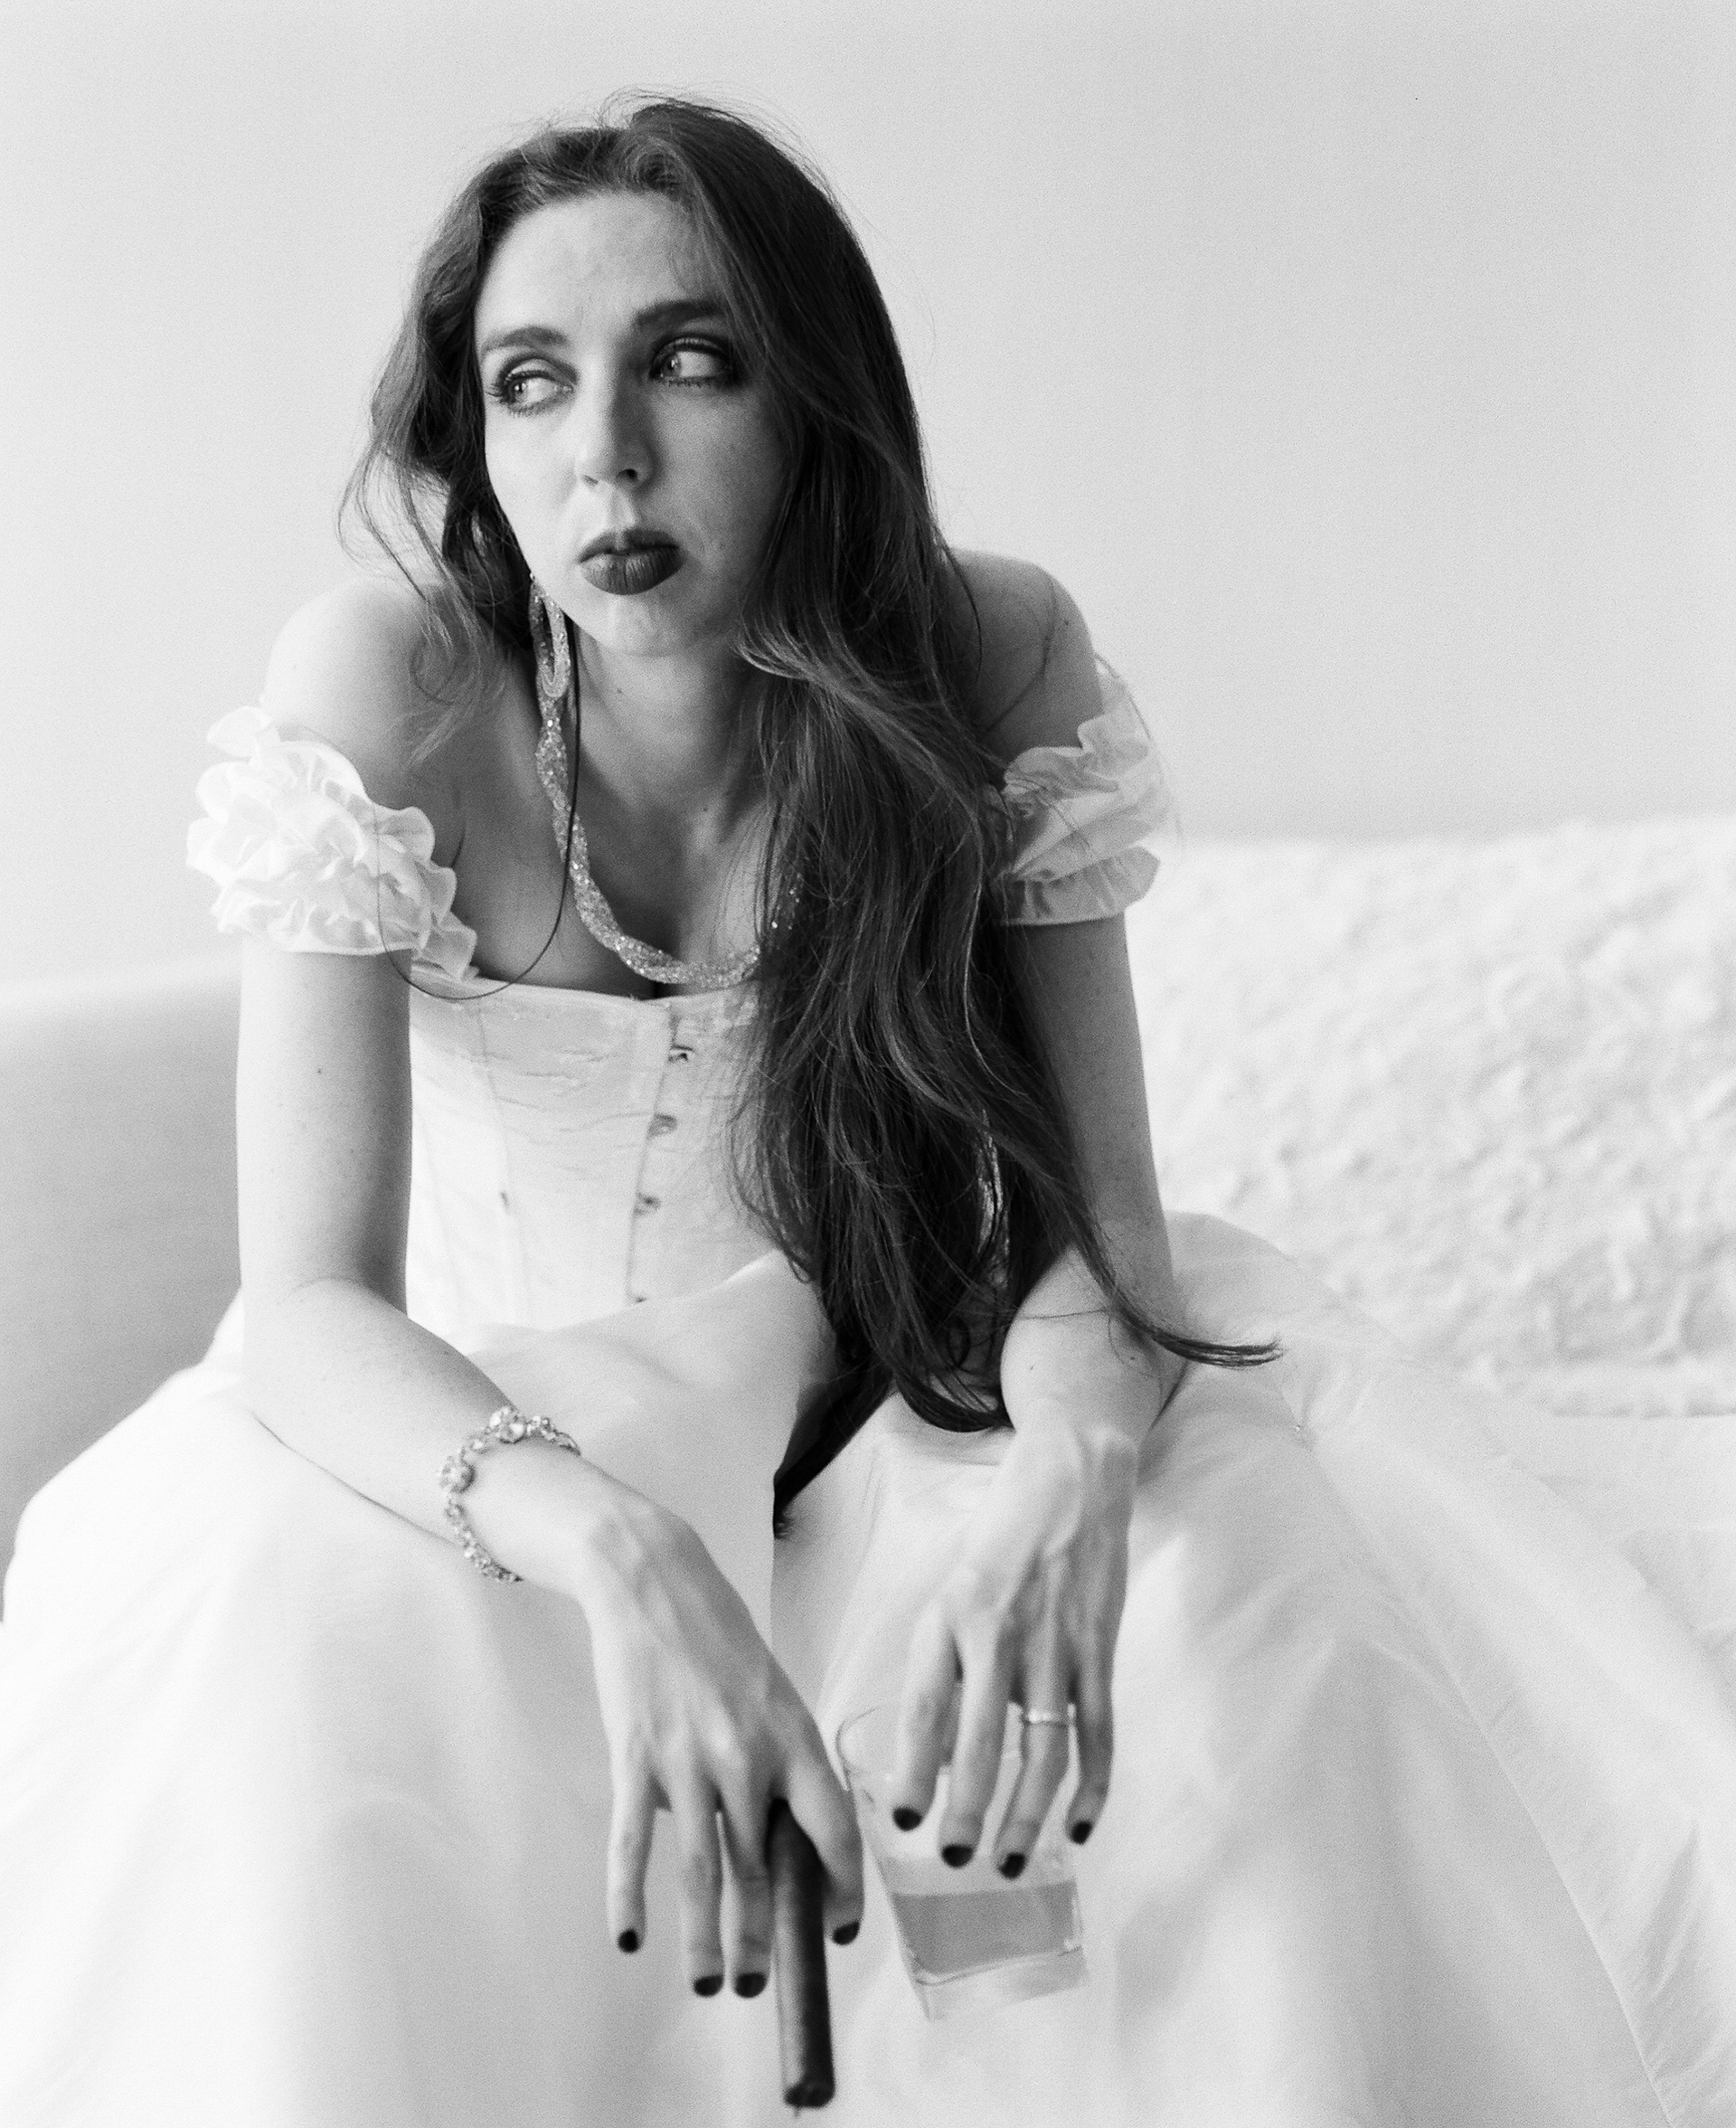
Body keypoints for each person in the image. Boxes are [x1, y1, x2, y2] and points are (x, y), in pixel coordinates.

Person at [1, 97, 1731, 2128]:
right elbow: (308, 1305)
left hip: (905, 1397)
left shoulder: (988, 655)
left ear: (817, 396)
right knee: (286, 1636)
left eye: (691, 361)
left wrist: (1071, 1478)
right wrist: (623, 1547)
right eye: (532, 381)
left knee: (1229, 1604)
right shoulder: (395, 684)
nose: (604, 454)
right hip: (485, 1435)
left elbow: (1096, 1223)